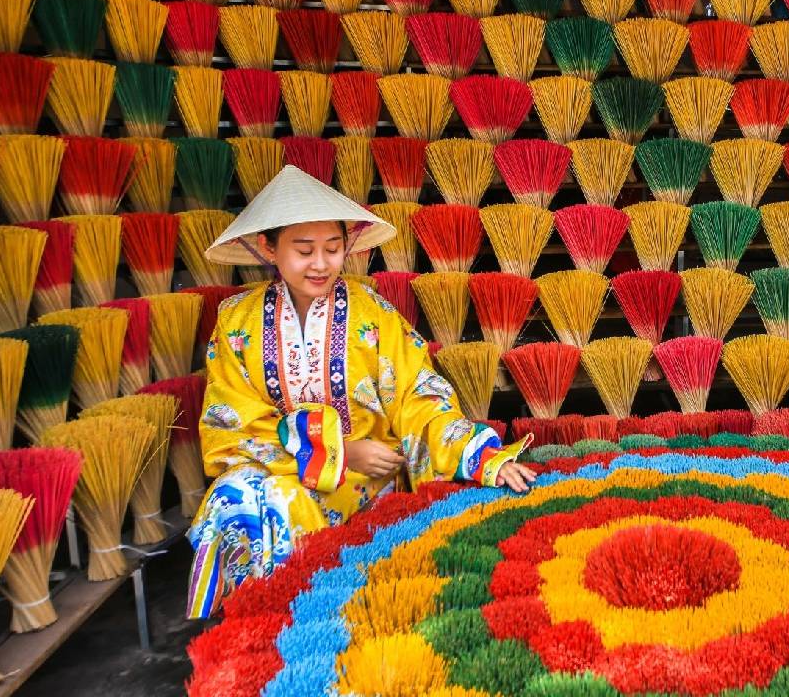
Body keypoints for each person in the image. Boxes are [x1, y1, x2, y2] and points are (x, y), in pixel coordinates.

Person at [186, 166, 536, 619]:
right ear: (269, 248)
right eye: (304, 250)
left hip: (366, 477)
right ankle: (243, 635)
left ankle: (296, 626)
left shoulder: (372, 313)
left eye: (333, 249)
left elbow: (418, 394)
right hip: (277, 465)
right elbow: (230, 421)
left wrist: (480, 454)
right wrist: (340, 451)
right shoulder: (236, 320)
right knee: (230, 500)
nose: (321, 264)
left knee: (280, 506)